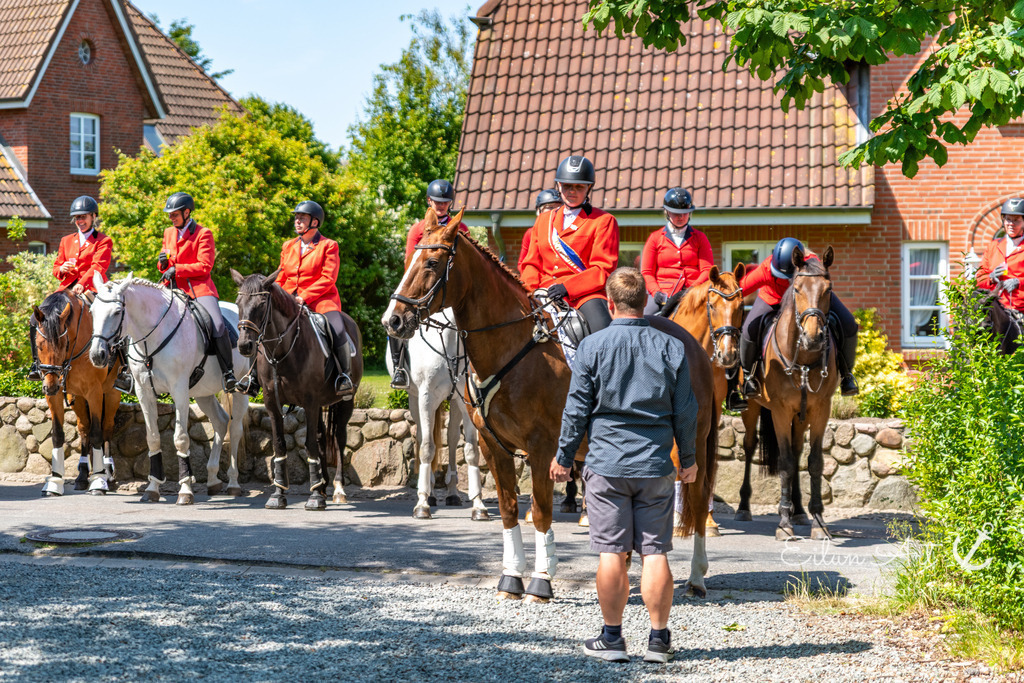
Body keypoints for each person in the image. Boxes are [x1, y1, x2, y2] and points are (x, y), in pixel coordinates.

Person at [550, 267, 698, 664]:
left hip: (607, 465)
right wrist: (689, 460)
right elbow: (686, 411)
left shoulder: (592, 347)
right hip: (655, 465)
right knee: (655, 553)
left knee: (611, 553)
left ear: (610, 304)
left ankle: (613, 639)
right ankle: (659, 641)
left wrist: (564, 457)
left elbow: (576, 409)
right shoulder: (673, 348)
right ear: (645, 301)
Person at [736, 237, 858, 406]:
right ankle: (749, 376)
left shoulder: (811, 264)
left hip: (807, 300)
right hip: (773, 299)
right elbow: (738, 290)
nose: (786, 280)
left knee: (849, 323)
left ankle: (847, 375)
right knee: (749, 330)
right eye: (781, 276)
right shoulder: (766, 269)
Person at [262, 201, 354, 398]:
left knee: (337, 329)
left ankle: (344, 377)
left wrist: (303, 297)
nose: (297, 221)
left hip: (321, 301)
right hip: (289, 301)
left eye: (302, 218)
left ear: (315, 222)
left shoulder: (328, 246)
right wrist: (280, 296)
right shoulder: (288, 246)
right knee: (262, 324)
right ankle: (255, 377)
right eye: (296, 217)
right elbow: (281, 277)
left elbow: (328, 278)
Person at [520, 155, 620, 336]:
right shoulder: (543, 221)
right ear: (558, 185)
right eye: (567, 186)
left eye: (579, 187)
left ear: (589, 187)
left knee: (603, 334)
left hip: (585, 296)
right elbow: (531, 264)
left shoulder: (603, 221)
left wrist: (567, 287)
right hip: (543, 292)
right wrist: (530, 292)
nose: (572, 191)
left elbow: (602, 270)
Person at [28, 196, 119, 384]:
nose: (80, 221)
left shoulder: (103, 240)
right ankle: (37, 364)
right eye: (77, 218)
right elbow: (56, 267)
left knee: (110, 316)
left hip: (92, 287)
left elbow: (98, 266)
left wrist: (82, 283)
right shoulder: (66, 240)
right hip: (65, 289)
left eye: (84, 217)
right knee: (33, 320)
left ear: (94, 217)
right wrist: (61, 270)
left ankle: (121, 367)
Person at [389, 179, 469, 390]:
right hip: (421, 285)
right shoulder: (417, 229)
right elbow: (410, 262)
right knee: (392, 316)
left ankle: (471, 369)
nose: (441, 205)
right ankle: (399, 368)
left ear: (450, 203)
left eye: (445, 202)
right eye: (437, 201)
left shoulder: (461, 228)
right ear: (429, 201)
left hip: (449, 286)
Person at [157, 192, 239, 392]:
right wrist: (163, 264)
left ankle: (228, 372)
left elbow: (205, 265)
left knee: (218, 325)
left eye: (174, 214)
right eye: (169, 215)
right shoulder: (169, 232)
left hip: (199, 288)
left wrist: (178, 269)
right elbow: (164, 264)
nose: (171, 218)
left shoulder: (204, 234)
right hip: (172, 288)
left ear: (187, 212)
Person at [640, 188, 713, 314]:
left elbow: (707, 270)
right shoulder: (655, 238)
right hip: (664, 295)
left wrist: (694, 288)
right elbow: (646, 272)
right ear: (667, 212)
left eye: (685, 213)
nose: (681, 217)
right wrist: (656, 292)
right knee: (644, 317)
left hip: (694, 292)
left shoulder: (700, 238)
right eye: (676, 213)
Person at [976, 198, 1024, 312]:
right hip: (996, 308)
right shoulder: (993, 246)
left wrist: (1019, 282)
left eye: (1016, 220)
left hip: (1020, 308)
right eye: (1008, 220)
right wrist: (991, 278)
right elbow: (979, 279)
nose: (1011, 224)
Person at [517, 188, 562, 273]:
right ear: (539, 211)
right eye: (550, 207)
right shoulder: (530, 233)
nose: (555, 211)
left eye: (559, 208)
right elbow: (522, 263)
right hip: (540, 280)